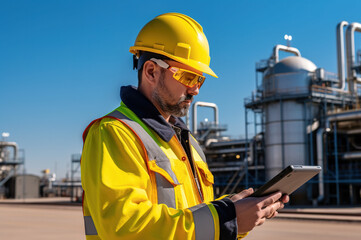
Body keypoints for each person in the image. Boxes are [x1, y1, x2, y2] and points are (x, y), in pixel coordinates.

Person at [80, 12, 289, 240]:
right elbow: (125, 227)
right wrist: (227, 218)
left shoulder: (188, 143)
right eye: (188, 77)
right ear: (151, 71)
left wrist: (235, 210)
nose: (196, 89)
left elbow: (194, 215)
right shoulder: (115, 132)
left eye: (200, 80)